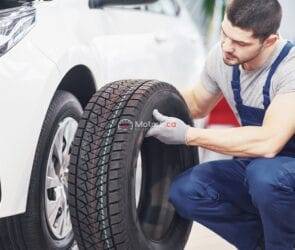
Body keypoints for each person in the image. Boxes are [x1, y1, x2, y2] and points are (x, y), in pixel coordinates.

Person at [145, 0, 295, 249]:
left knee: (264, 176)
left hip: (281, 168)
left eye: (240, 43)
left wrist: (188, 135)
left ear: (269, 41)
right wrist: (142, 109)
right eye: (225, 34)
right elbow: (196, 103)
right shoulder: (223, 57)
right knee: (186, 190)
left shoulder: (290, 70)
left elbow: (269, 142)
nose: (227, 47)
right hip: (260, 167)